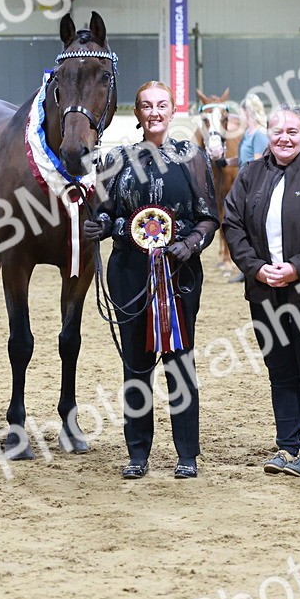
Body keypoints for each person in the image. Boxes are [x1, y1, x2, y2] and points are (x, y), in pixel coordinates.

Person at [85, 80, 219, 480]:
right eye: (147, 105)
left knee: (180, 363)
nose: (155, 112)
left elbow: (209, 216)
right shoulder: (116, 159)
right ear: (137, 112)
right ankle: (137, 452)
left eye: (162, 105)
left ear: (173, 110)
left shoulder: (192, 157)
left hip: (179, 273)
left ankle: (187, 454)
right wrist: (102, 225)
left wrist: (192, 243)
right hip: (129, 272)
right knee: (136, 365)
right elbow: (106, 212)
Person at [221, 104, 300, 478]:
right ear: (268, 132)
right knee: (279, 369)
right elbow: (232, 225)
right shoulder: (249, 175)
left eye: (293, 131)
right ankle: (286, 446)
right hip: (265, 292)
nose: (284, 137)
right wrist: (256, 268)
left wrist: (296, 268)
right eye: (278, 131)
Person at [239, 93, 270, 164]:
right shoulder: (247, 133)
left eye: (241, 113)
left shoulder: (259, 135)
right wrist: (226, 162)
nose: (240, 116)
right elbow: (244, 159)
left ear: (247, 112)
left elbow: (258, 165)